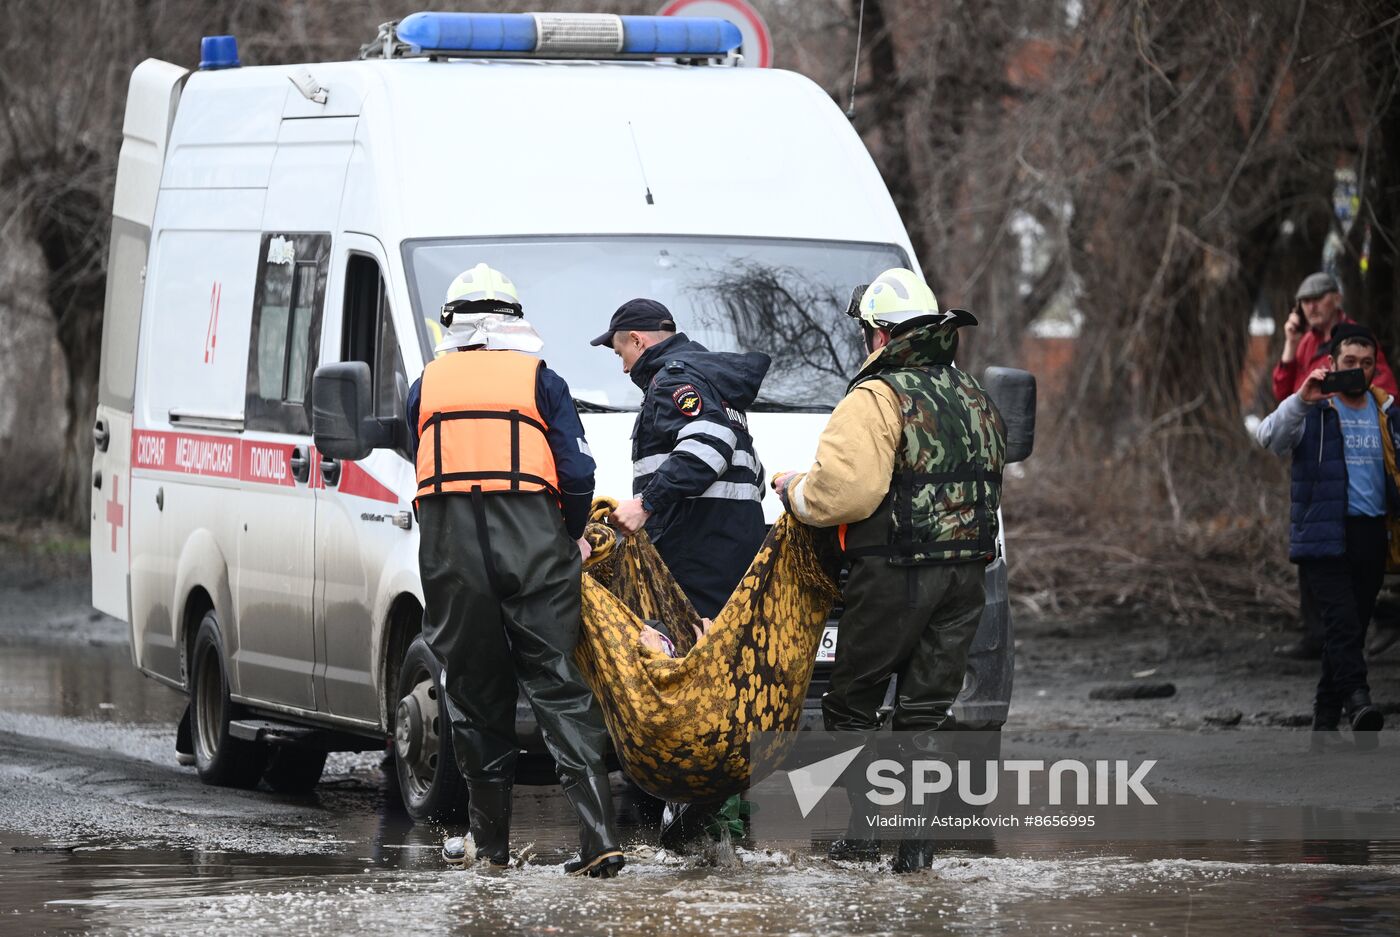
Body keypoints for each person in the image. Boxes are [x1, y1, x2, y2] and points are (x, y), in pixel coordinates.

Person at [770, 268, 1006, 873]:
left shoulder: (876, 396)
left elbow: (845, 493)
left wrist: (795, 489)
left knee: (851, 703)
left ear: (879, 334)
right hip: (966, 576)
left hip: (895, 572)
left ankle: (864, 833)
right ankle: (918, 850)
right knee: (926, 711)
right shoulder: (972, 394)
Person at [408, 263, 624, 877]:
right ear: (513, 319)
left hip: (451, 554)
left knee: (475, 698)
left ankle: (492, 851)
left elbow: (417, 457)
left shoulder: (425, 384)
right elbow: (577, 470)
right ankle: (599, 838)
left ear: (451, 323)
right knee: (559, 685)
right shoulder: (541, 380)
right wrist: (571, 532)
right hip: (534, 548)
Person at [1255, 323, 1398, 751]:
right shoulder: (1311, 410)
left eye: (1366, 363)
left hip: (1372, 532)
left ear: (1376, 368)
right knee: (1339, 623)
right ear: (1331, 364)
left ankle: (1324, 717)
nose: (1358, 370)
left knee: (1350, 629)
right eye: (1349, 362)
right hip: (1323, 535)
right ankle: (1359, 702)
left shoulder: (1388, 411)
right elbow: (1268, 438)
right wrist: (1300, 399)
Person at [591, 298, 770, 619]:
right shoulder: (714, 386)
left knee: (692, 655)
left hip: (696, 550)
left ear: (637, 339)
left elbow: (710, 443)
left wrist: (645, 504)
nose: (624, 367)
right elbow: (755, 476)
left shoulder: (673, 381)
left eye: (621, 354)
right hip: (734, 547)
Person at [1271, 273, 1397, 660]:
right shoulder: (1307, 341)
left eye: (1318, 299)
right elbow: (1285, 397)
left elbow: (1386, 392)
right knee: (1313, 552)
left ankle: (1367, 628)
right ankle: (1318, 636)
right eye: (1304, 301)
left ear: (1335, 299)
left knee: (1359, 561)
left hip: (1354, 468)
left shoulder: (1353, 341)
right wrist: (1290, 344)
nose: (1310, 307)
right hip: (1315, 460)